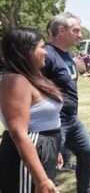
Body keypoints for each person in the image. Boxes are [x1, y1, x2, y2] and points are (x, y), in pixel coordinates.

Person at [0, 27, 62, 193]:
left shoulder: (34, 77)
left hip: (44, 148)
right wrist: (41, 180)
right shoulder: (16, 81)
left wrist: (54, 149)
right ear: (26, 51)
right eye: (41, 47)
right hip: (28, 152)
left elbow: (48, 120)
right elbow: (18, 133)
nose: (46, 52)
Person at [42, 12, 90, 193]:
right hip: (54, 122)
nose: (81, 35)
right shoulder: (47, 55)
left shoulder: (67, 55)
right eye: (76, 30)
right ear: (61, 31)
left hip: (72, 119)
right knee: (50, 167)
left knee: (87, 152)